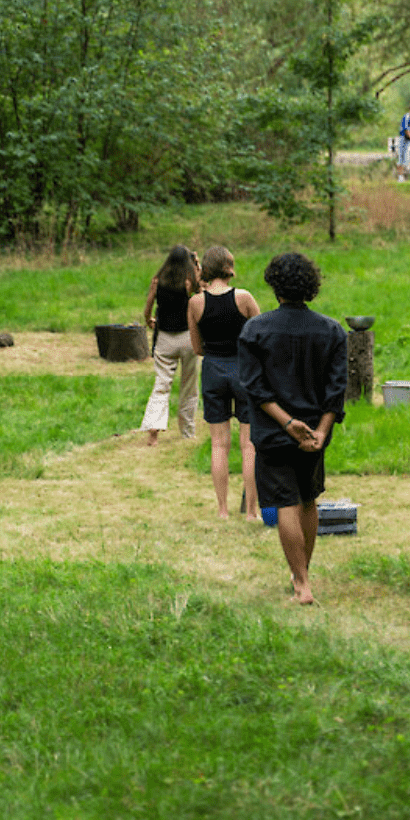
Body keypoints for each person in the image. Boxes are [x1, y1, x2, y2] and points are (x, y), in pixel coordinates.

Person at [237, 252, 347, 605]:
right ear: (310, 286)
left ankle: (301, 583)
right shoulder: (331, 330)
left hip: (274, 431)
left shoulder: (255, 329)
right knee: (308, 501)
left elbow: (254, 387)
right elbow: (337, 388)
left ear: (274, 285)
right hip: (315, 434)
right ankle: (303, 574)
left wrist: (286, 423)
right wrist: (320, 431)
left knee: (285, 504)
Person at [188, 246, 262, 519]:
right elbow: (261, 335)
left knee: (219, 444)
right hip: (244, 369)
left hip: (213, 370)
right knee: (249, 444)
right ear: (229, 267)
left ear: (206, 269)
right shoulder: (244, 298)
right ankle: (251, 511)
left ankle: (222, 510)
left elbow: (197, 347)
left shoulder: (195, 303)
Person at [139, 245, 201, 446]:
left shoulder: (157, 281)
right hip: (187, 337)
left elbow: (148, 308)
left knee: (161, 385)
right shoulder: (188, 281)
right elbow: (201, 291)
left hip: (164, 338)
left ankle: (153, 431)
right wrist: (197, 265)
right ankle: (187, 432)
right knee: (189, 387)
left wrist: (149, 319)